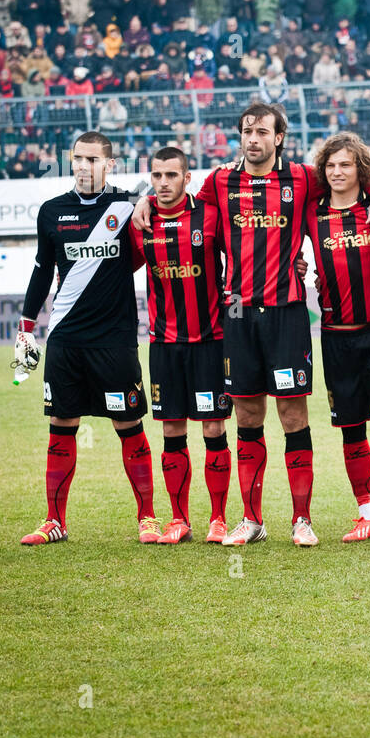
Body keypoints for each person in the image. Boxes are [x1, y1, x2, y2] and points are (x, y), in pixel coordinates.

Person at [131, 104, 370, 546]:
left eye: (262, 131)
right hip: (237, 314)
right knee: (248, 416)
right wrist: (143, 198)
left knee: (292, 414)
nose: (252, 138)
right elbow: (173, 194)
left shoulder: (304, 178)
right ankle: (252, 520)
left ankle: (301, 521)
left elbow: (345, 172)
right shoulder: (218, 181)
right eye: (246, 131)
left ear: (278, 138)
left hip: (288, 314)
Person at [14, 132, 155, 545]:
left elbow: (162, 208)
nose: (82, 166)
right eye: (77, 158)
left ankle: (147, 517)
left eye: (93, 159)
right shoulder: (51, 211)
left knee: (128, 423)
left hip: (114, 340)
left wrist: (144, 198)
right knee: (61, 424)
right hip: (65, 339)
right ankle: (54, 521)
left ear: (109, 164)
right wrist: (25, 327)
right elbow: (42, 270)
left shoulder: (129, 205)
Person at [308, 132, 370, 543]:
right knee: (351, 427)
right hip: (335, 338)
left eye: (346, 165)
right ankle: (366, 514)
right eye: (331, 165)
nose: (337, 171)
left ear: (360, 169)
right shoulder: (311, 213)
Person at [129, 146, 233, 544]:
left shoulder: (209, 215)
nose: (163, 183)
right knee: (171, 430)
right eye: (156, 176)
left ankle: (219, 518)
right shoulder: (141, 221)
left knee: (213, 428)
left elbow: (243, 252)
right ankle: (178, 518)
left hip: (209, 341)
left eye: (171, 175)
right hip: (163, 344)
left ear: (187, 178)